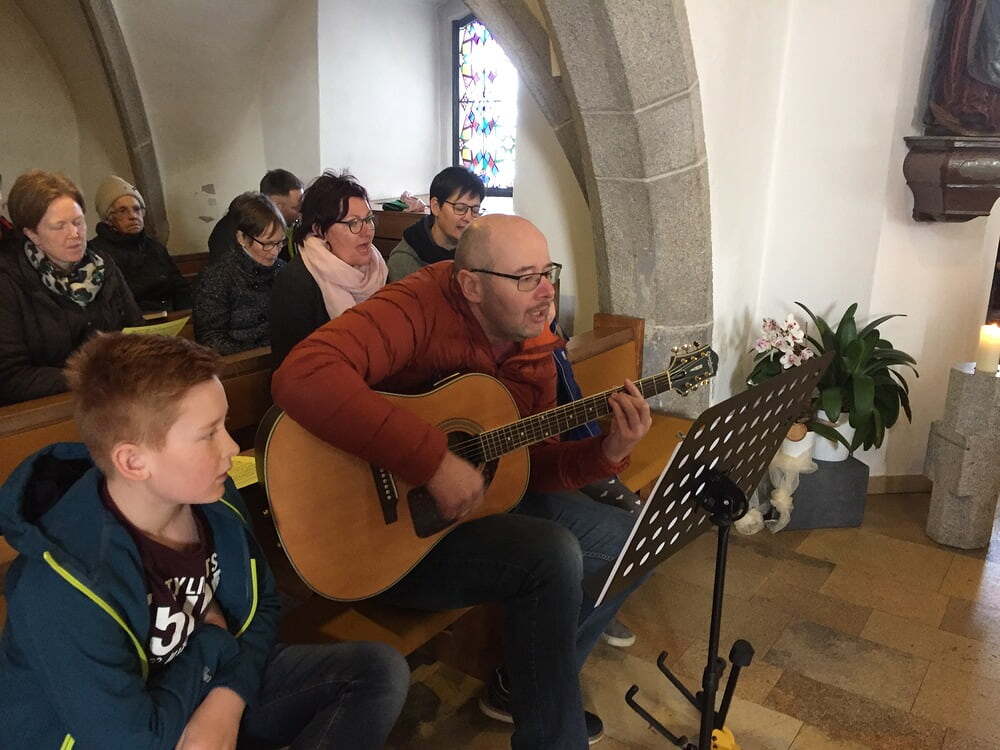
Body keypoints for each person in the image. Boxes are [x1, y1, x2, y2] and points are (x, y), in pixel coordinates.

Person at [272, 214, 653, 748]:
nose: (547, 293)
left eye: (548, 273)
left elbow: (528, 466)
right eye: (525, 278)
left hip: (478, 510)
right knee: (553, 554)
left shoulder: (536, 343)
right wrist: (431, 461)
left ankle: (527, 686)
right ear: (471, 284)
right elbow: (303, 374)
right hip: (387, 537)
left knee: (638, 540)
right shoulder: (417, 305)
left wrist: (606, 452)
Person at [0, 332, 410, 748]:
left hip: (209, 683)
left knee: (376, 672)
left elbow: (262, 604)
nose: (231, 447)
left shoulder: (212, 497)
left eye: (225, 425)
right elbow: (131, 740)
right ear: (134, 461)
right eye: (208, 433)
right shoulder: (62, 586)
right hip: (124, 733)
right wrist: (212, 639)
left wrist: (225, 704)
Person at [0, 170, 143, 405]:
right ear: (32, 234)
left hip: (117, 397)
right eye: (59, 226)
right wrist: (88, 377)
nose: (75, 234)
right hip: (48, 409)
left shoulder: (104, 265)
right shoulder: (8, 281)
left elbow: (135, 329)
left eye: (78, 222)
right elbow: (9, 377)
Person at [270, 171, 387, 366]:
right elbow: (294, 367)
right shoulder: (296, 283)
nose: (367, 231)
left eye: (368, 219)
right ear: (319, 230)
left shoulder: (379, 268)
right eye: (354, 223)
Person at [194, 192, 286, 355]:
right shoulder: (218, 276)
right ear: (242, 238)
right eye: (267, 244)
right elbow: (210, 338)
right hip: (240, 362)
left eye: (279, 243)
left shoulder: (284, 270)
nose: (274, 252)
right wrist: (256, 354)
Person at [89, 174, 192, 312]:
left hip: (170, 316)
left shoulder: (155, 247)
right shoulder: (96, 253)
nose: (133, 216)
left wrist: (185, 315)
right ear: (108, 218)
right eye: (122, 211)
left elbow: (180, 288)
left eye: (137, 209)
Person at [386, 165, 485, 282]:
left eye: (475, 210)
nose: (468, 218)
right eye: (460, 208)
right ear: (436, 207)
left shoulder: (479, 248)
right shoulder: (404, 260)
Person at [209, 169, 304, 263]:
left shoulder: (292, 225)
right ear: (275, 205)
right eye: (296, 207)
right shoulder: (225, 235)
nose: (301, 212)